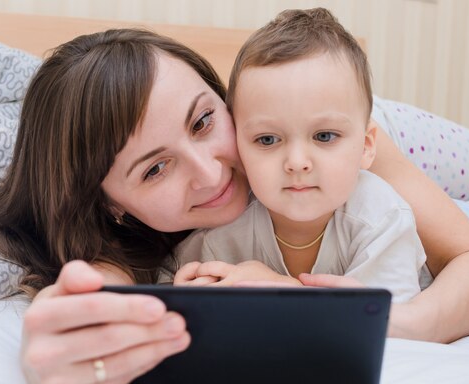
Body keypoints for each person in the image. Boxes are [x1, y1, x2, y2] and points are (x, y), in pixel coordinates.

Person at [0, 26, 469, 384]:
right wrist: (61, 345)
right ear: (113, 207)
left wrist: (405, 323)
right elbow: (99, 288)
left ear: (223, 98)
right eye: (155, 169)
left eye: (203, 121)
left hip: (414, 142)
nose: (211, 171)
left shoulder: (338, 143)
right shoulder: (120, 228)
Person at [170, 8, 432, 304]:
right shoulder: (223, 230)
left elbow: (384, 325)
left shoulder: (382, 217)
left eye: (324, 136)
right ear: (238, 147)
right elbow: (165, 283)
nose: (296, 162)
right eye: (267, 139)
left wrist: (282, 287)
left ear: (367, 146)